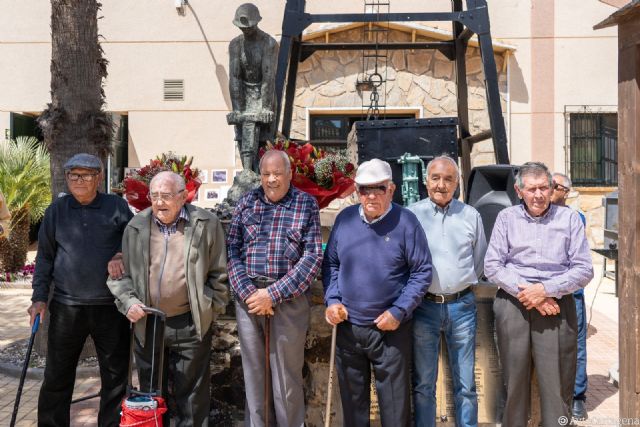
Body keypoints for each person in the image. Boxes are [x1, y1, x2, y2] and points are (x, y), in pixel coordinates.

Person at [107, 171, 228, 426]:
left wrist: (209, 308)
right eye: (155, 196)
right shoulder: (136, 226)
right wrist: (129, 302)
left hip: (190, 322)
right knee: (150, 395)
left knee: (192, 399)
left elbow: (220, 274)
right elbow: (122, 276)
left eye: (167, 196)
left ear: (183, 196)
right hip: (148, 323)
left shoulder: (206, 223)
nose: (160, 202)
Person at [323, 158, 433, 427]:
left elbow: (422, 271)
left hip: (390, 331)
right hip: (349, 329)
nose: (371, 195)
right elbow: (331, 264)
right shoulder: (345, 219)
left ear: (392, 189)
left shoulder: (407, 222)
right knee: (353, 408)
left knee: (395, 410)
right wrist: (332, 300)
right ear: (357, 191)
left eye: (379, 189)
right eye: (364, 189)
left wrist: (399, 311)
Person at [484, 161, 594, 427]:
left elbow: (584, 269)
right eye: (531, 189)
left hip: (557, 307)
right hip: (514, 306)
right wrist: (532, 294)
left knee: (557, 385)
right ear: (519, 190)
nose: (538, 195)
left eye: (544, 187)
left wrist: (546, 291)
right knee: (514, 382)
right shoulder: (506, 218)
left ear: (552, 188)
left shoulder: (568, 219)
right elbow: (492, 265)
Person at [27, 153, 133, 426]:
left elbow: (135, 244)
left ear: (98, 177)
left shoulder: (117, 206)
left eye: (86, 175)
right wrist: (39, 298)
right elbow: (45, 258)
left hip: (111, 307)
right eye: (74, 175)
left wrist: (121, 254)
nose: (79, 180)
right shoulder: (56, 211)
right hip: (66, 307)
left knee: (115, 376)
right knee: (57, 376)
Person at [227, 150, 322, 427]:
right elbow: (232, 250)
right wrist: (248, 293)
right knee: (254, 379)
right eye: (266, 174)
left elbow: (312, 256)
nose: (271, 179)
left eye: (277, 174)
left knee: (286, 380)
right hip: (249, 302)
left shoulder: (306, 204)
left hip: (288, 301)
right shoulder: (247, 202)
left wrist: (273, 294)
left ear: (290, 175)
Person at [408, 155, 487, 427]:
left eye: (448, 179)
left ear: (457, 183)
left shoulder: (471, 216)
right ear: (426, 181)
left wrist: (457, 284)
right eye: (436, 178)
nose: (441, 185)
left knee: (466, 384)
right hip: (423, 308)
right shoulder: (411, 215)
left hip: (462, 307)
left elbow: (479, 262)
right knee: (423, 383)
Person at [551, 172, 589, 421]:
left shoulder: (576, 217)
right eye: (549, 184)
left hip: (570, 293)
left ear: (566, 192)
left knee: (576, 346)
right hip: (544, 293)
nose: (551, 190)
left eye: (557, 187)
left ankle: (577, 397)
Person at [227, 3, 278, 172]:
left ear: (256, 23)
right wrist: (237, 109)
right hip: (243, 93)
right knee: (242, 139)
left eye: (248, 27)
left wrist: (265, 107)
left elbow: (268, 77)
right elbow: (235, 77)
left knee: (264, 141)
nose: (245, 30)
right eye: (242, 27)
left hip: (264, 94)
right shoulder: (235, 44)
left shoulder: (268, 43)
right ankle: (247, 175)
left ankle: (261, 177)